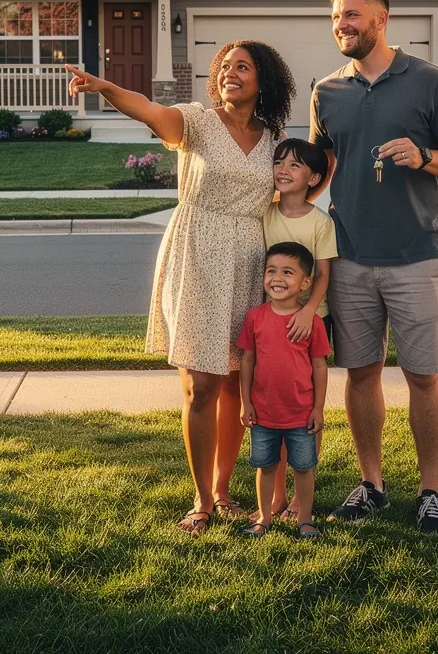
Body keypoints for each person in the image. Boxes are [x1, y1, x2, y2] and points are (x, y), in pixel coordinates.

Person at [66, 40, 295, 537]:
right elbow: (148, 109)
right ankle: (201, 501)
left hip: (250, 260)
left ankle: (223, 490)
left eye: (244, 67)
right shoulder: (195, 121)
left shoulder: (274, 137)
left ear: (263, 81)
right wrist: (106, 87)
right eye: (225, 67)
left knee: (237, 382)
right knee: (202, 385)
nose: (231, 74)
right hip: (197, 252)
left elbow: (298, 186)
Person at [309, 0, 438, 534]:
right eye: (336, 17)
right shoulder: (326, 90)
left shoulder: (429, 81)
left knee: (423, 376)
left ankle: (431, 490)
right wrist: (288, 209)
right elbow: (324, 166)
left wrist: (425, 155)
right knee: (361, 373)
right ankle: (372, 483)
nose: (342, 25)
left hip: (417, 254)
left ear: (380, 20)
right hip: (349, 256)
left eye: (351, 15)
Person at [260, 138, 338, 521]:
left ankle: (299, 497)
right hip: (272, 322)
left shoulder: (320, 222)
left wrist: (308, 313)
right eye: (279, 162)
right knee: (274, 407)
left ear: (314, 178)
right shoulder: (265, 214)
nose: (283, 169)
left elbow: (323, 274)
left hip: (310, 323)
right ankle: (275, 496)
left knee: (305, 409)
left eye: (294, 165)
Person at [238, 242, 330, 539]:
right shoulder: (256, 317)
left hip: (301, 415)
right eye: (271, 271)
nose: (277, 278)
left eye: (287, 272)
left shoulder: (312, 323)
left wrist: (318, 408)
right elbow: (247, 360)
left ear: (305, 283)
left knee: (303, 468)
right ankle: (264, 517)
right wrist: (245, 403)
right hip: (263, 413)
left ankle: (305, 518)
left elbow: (319, 367)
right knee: (266, 467)